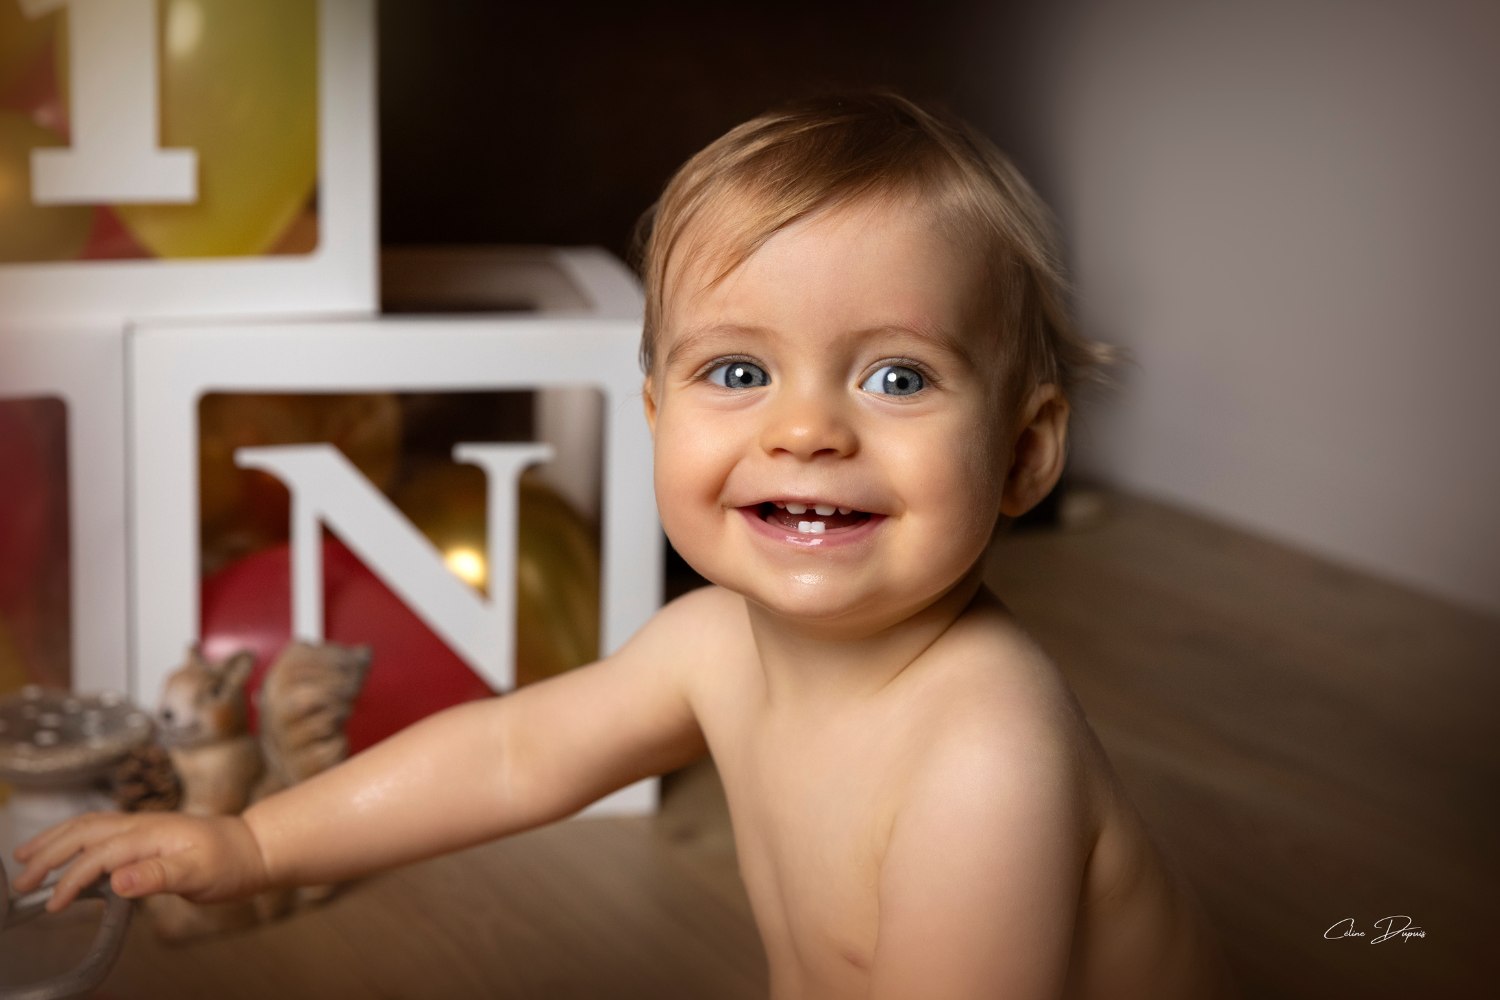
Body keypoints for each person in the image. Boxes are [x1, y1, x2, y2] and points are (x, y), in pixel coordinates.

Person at [14, 93, 1232, 999]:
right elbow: (508, 754)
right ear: (656, 415)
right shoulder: (712, 642)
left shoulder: (985, 757)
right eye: (739, 370)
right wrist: (254, 841)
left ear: (1023, 453)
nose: (806, 428)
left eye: (898, 374)